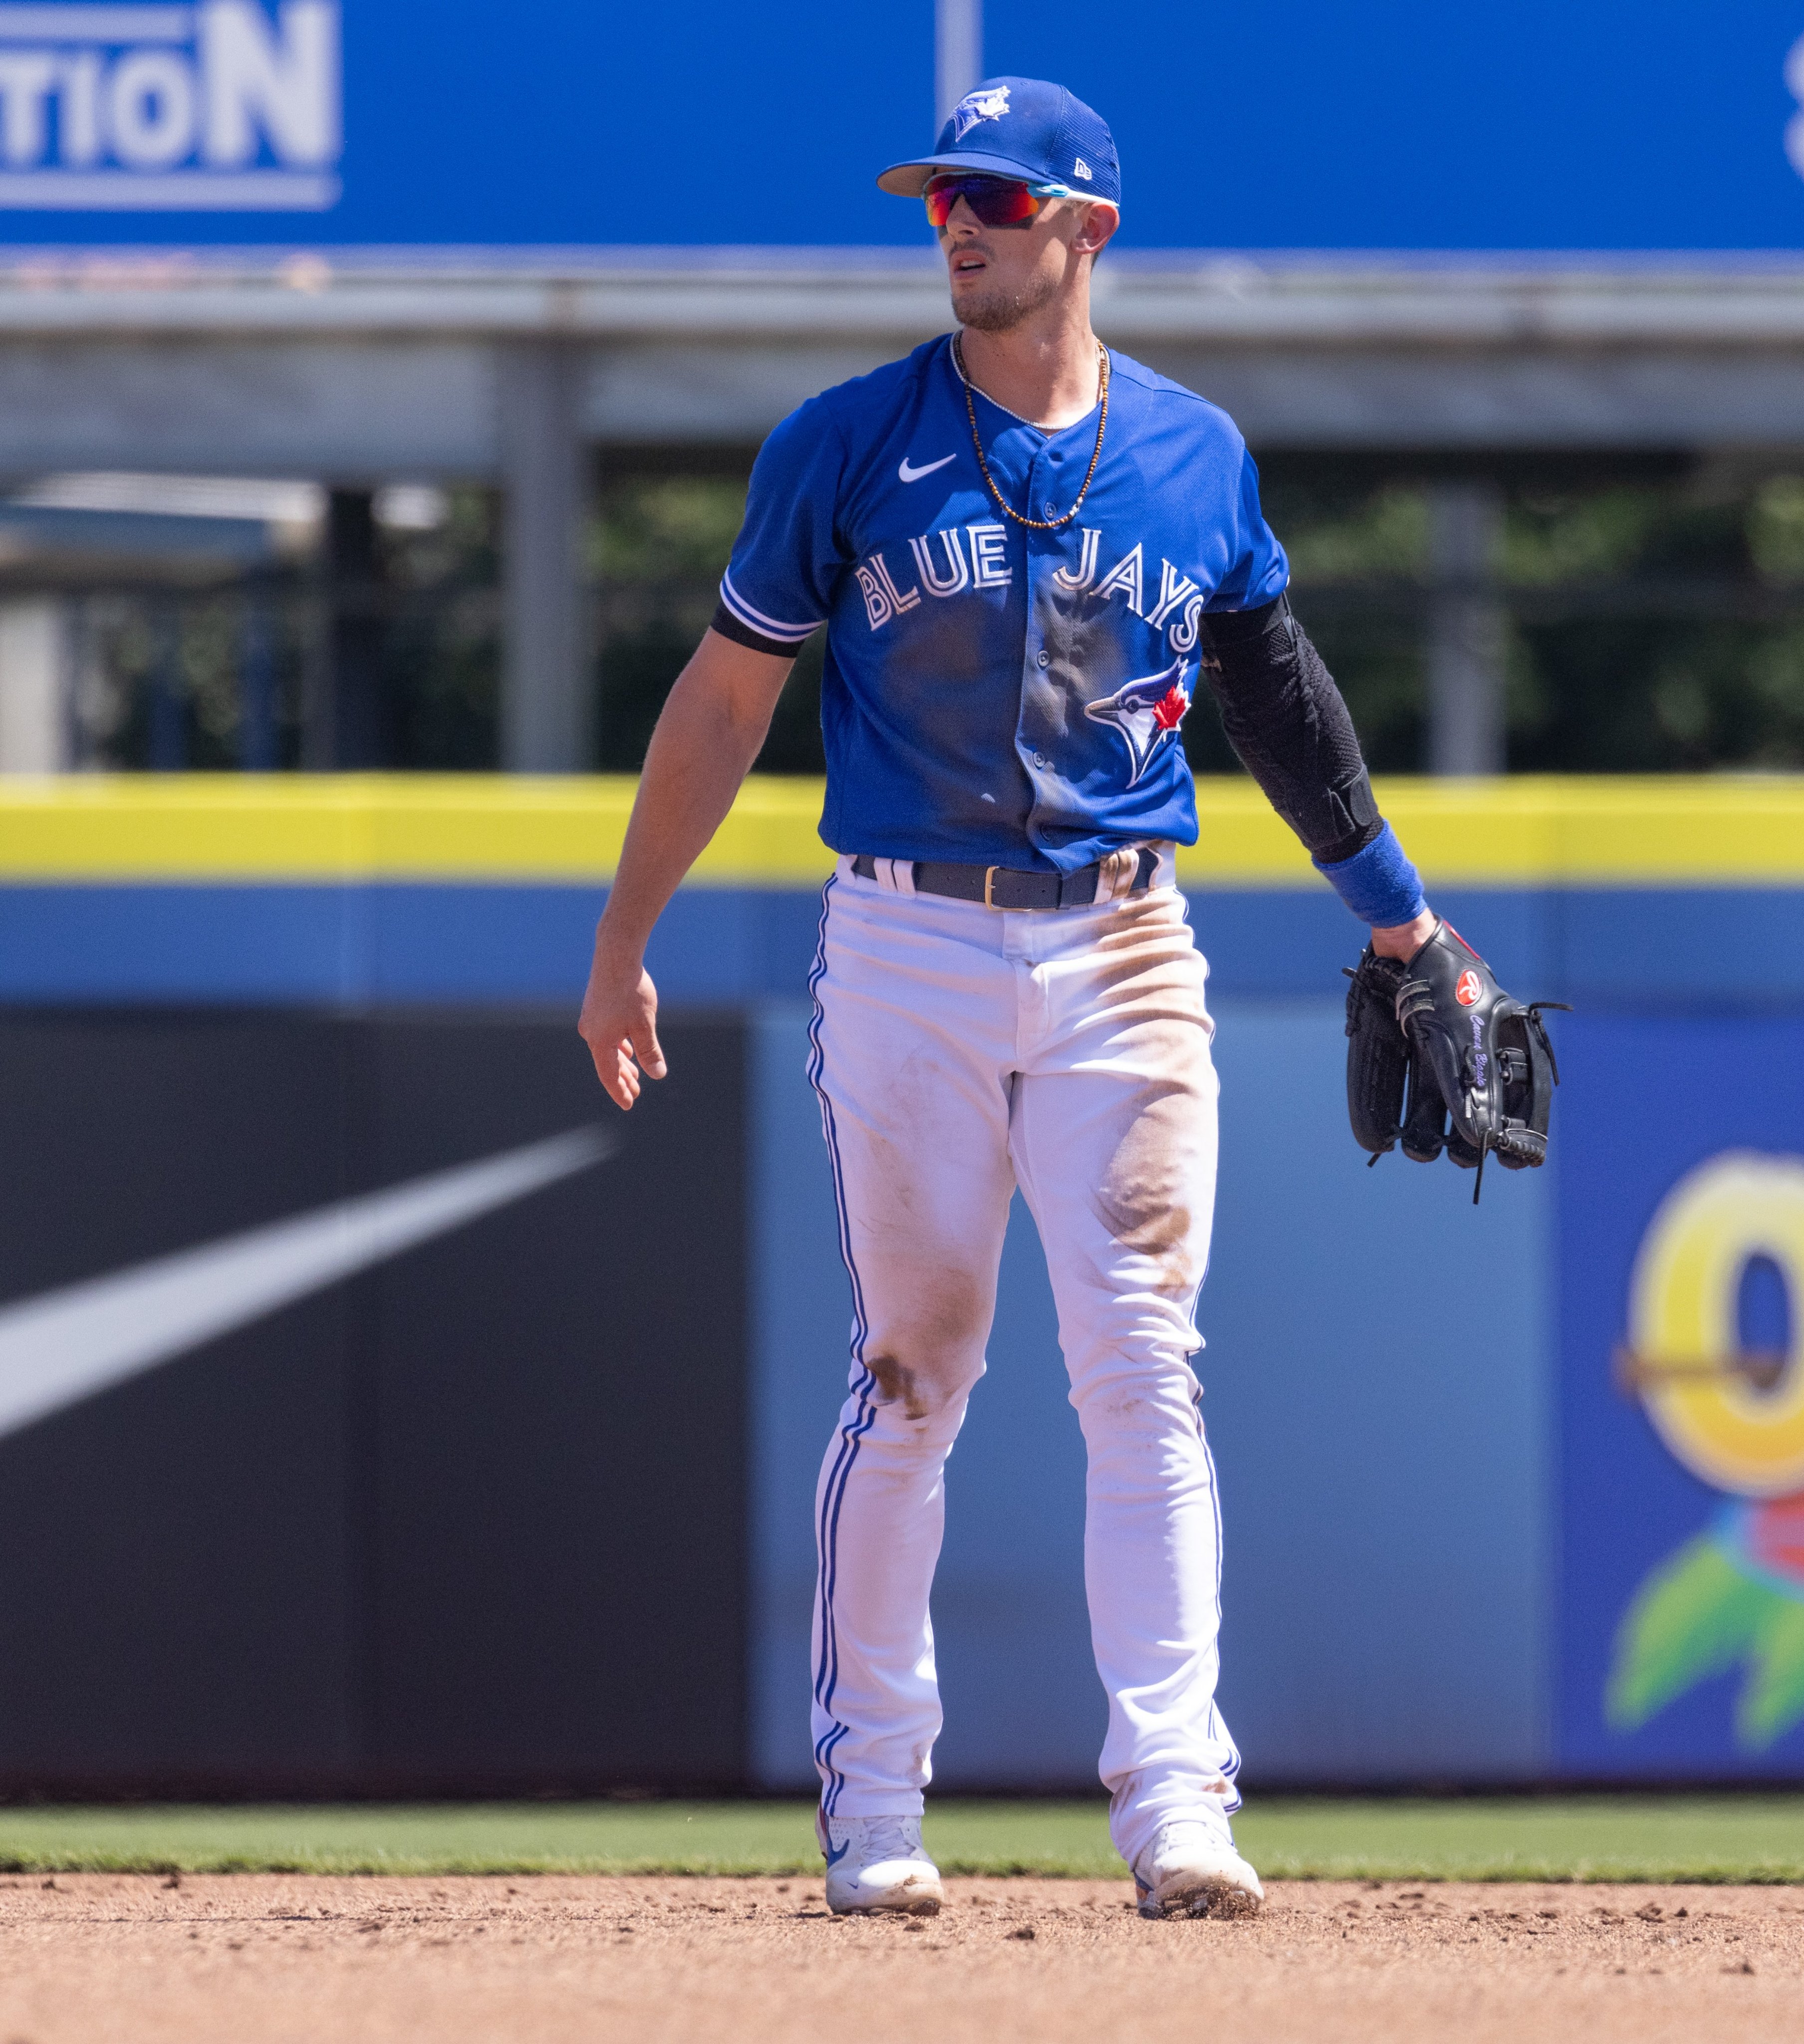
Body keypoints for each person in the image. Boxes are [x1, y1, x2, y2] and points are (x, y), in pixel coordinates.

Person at [579, 76, 1467, 1921]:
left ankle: (1177, 1802)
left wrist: (1403, 926)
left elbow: (1279, 702)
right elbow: (729, 695)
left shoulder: (1194, 455)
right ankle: (877, 1808)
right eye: (940, 199)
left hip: (1128, 940)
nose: (959, 222)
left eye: (996, 194)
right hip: (904, 938)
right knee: (916, 1369)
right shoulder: (844, 443)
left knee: (1143, 1360)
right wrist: (621, 939)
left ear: (1088, 228)